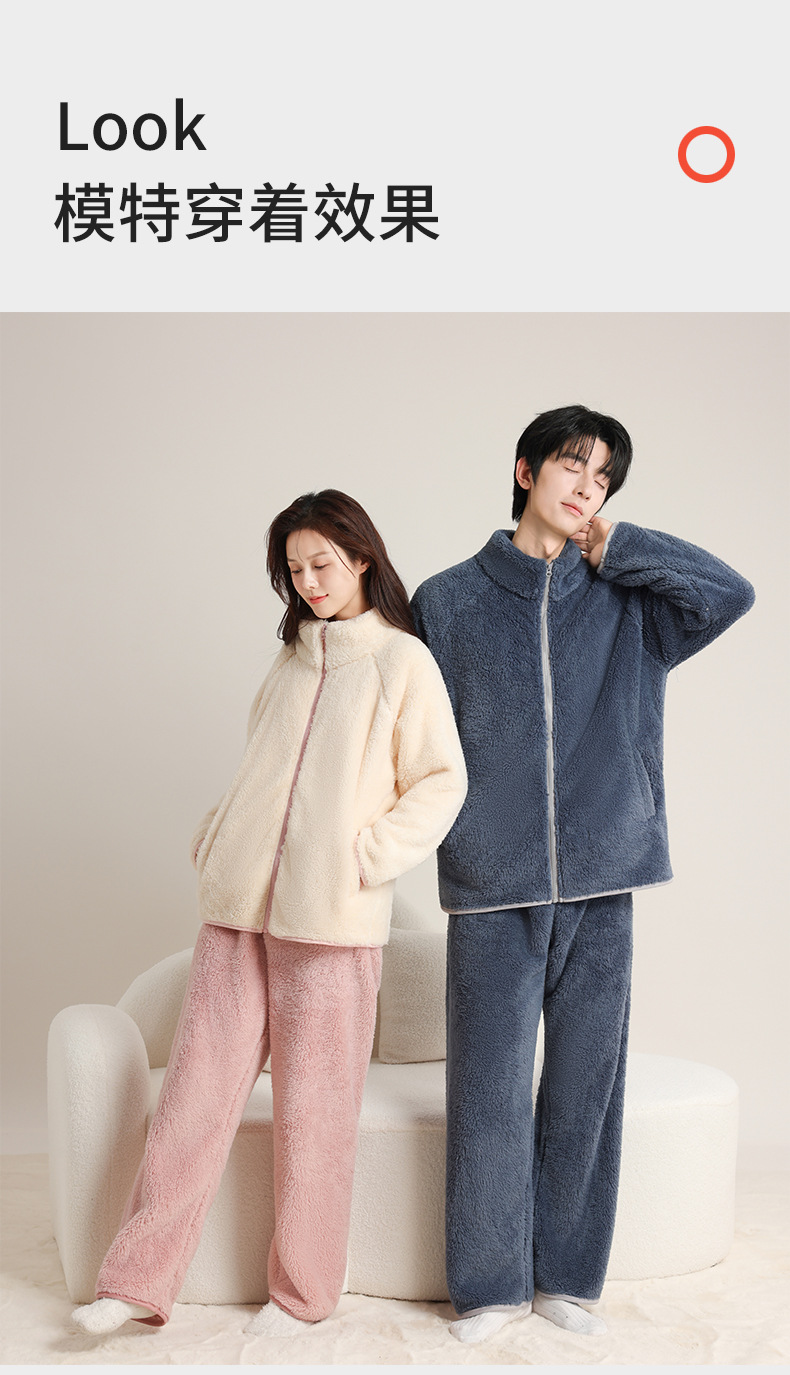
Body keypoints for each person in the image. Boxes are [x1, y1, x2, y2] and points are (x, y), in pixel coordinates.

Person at [71, 489, 467, 1338]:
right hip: (236, 914)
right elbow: (260, 765)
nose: (309, 582)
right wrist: (219, 833)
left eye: (322, 563)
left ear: (362, 557)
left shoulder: (402, 662)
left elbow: (443, 780)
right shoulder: (291, 660)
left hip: (331, 925)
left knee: (316, 1115)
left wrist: (365, 856)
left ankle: (305, 1293)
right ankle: (135, 1280)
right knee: (193, 1101)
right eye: (294, 569)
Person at [410, 404, 755, 1345]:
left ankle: (568, 1277)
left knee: (585, 1090)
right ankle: (489, 1287)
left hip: (606, 874)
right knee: (487, 1092)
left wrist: (623, 547)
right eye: (573, 466)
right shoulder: (447, 602)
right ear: (525, 470)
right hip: (491, 883)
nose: (587, 487)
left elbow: (730, 593)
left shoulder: (630, 601)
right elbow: (408, 728)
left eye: (604, 478)